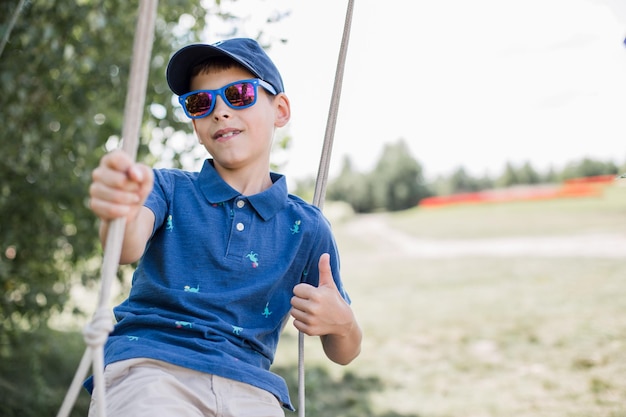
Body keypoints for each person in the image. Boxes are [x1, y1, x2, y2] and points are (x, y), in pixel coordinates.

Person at [86, 37, 362, 416]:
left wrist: (343, 324)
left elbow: (343, 351)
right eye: (201, 103)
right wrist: (118, 210)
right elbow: (124, 246)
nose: (220, 111)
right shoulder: (166, 188)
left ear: (280, 109)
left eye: (239, 94)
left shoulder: (307, 228)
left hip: (251, 388)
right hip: (151, 369)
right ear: (196, 124)